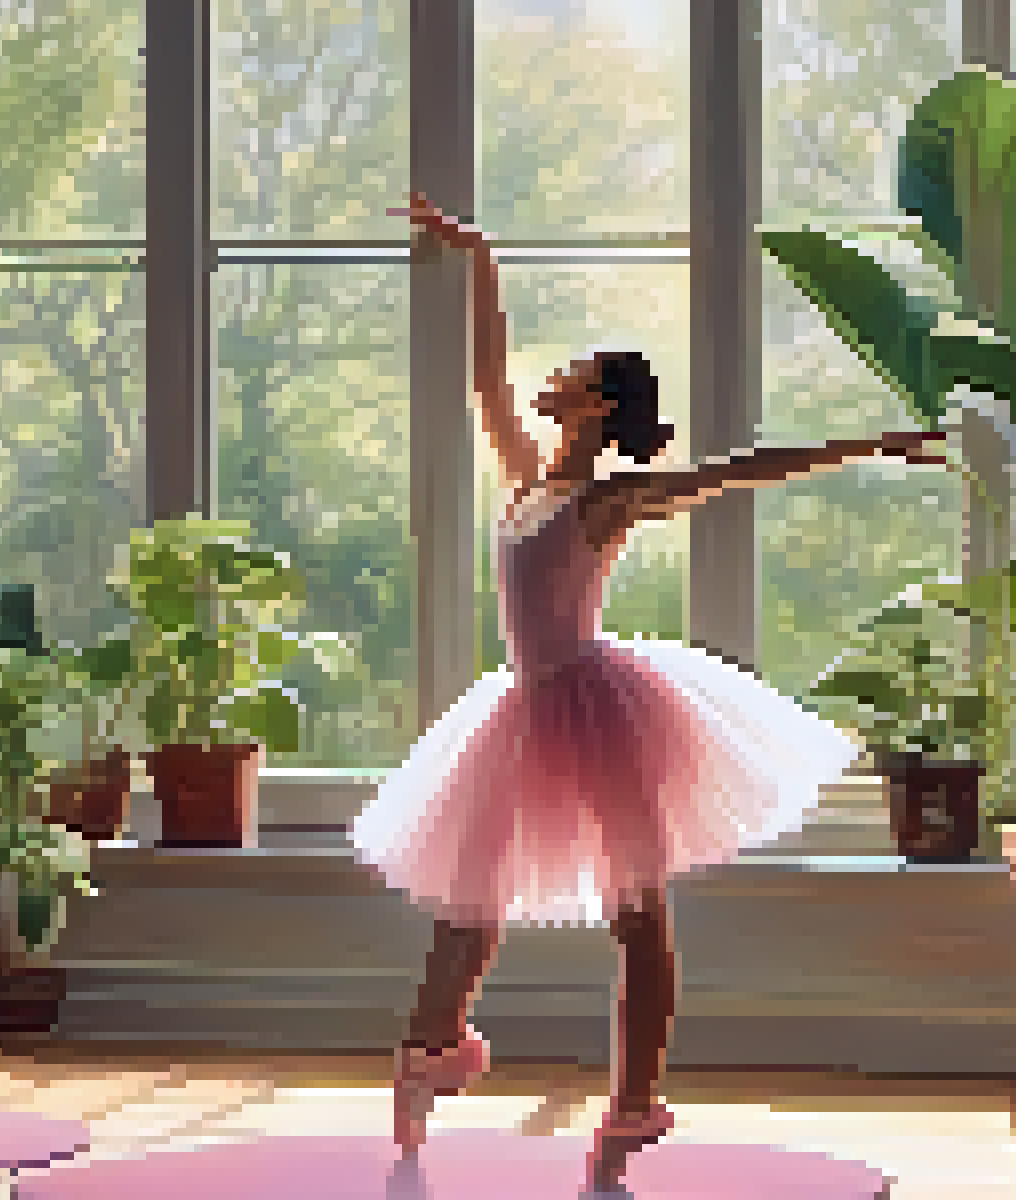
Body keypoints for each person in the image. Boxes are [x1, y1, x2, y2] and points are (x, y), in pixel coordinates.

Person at [353, 194, 946, 1196]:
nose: (553, 376)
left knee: (636, 912)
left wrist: (870, 446)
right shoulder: (528, 480)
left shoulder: (608, 500)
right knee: (471, 905)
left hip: (596, 707)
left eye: (575, 372)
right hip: (523, 705)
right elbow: (484, 373)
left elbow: (737, 473)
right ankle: (430, 1051)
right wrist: (477, 254)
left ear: (596, 406)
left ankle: (633, 1099)